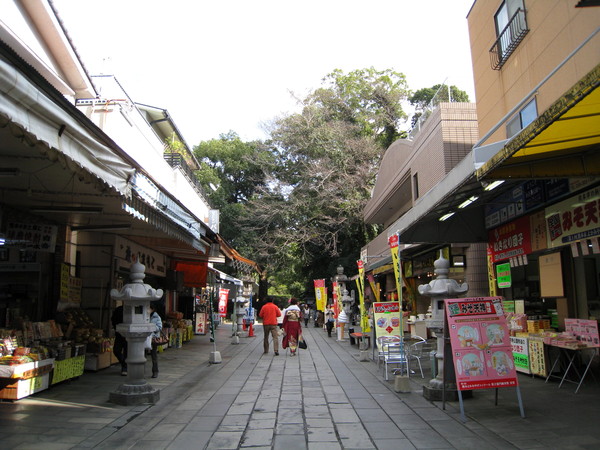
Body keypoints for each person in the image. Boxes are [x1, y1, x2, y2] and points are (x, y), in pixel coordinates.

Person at [111, 304, 127, 376]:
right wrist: (116, 328)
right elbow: (113, 319)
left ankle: (125, 367)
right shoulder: (119, 309)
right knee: (116, 350)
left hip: (128, 334)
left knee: (127, 351)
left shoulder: (133, 309)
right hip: (119, 333)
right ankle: (124, 364)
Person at [149, 303, 163, 378]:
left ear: (152, 309)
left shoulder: (156, 317)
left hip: (153, 338)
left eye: (149, 308)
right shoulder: (144, 316)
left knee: (154, 355)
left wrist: (151, 327)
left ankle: (155, 371)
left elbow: (159, 327)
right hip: (144, 338)